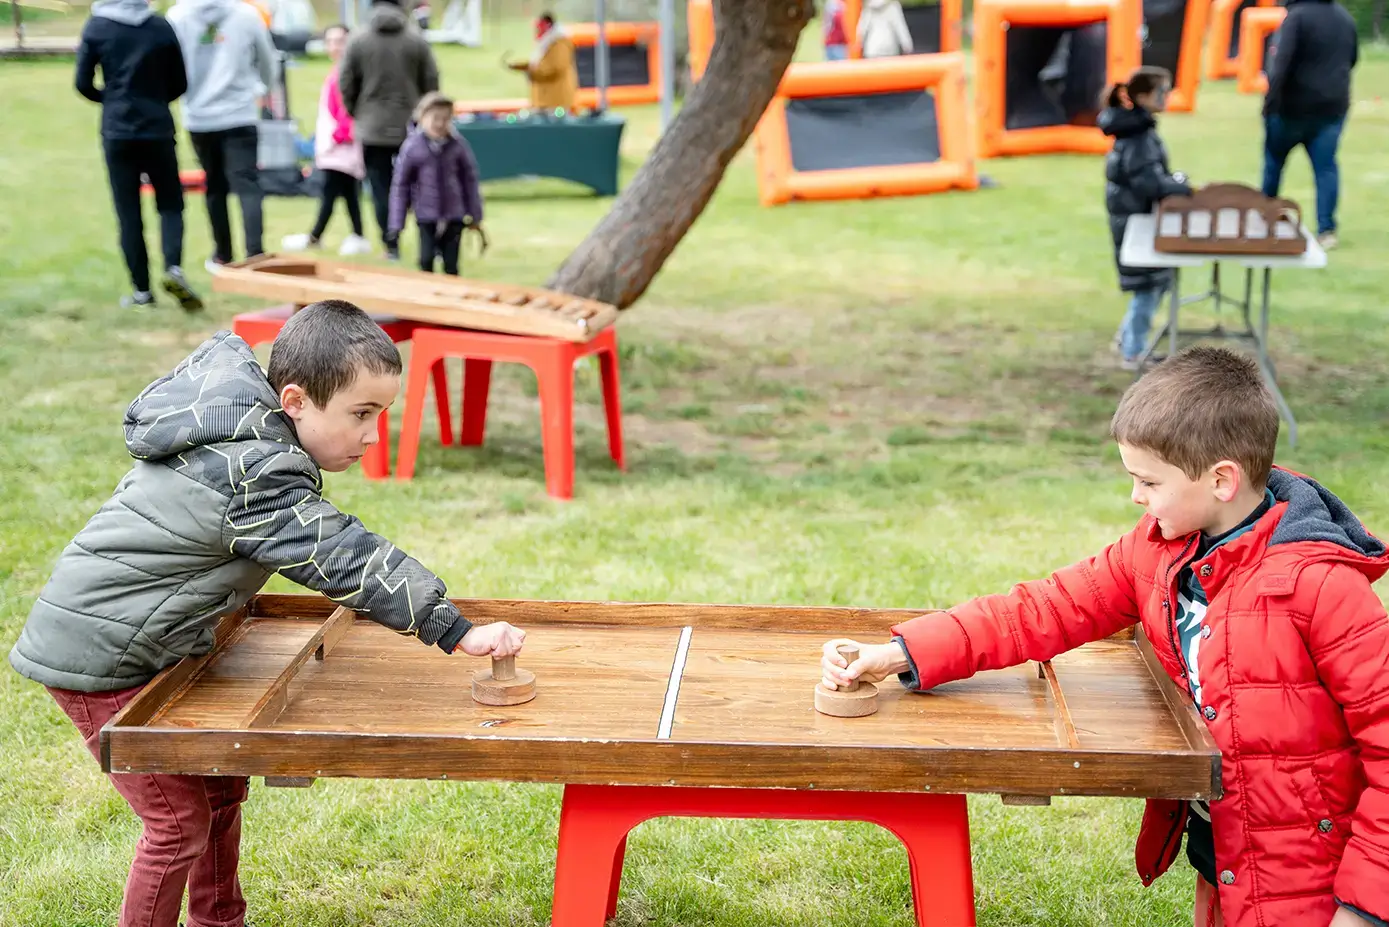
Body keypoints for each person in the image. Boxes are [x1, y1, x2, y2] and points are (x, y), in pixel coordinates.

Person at [819, 347, 1389, 927]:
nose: (1136, 497)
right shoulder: (1160, 548)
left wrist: (1366, 907)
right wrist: (903, 652)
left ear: (1222, 480)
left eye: (1148, 481)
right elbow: (1045, 608)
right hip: (1224, 847)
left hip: (1315, 875)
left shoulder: (1321, 589)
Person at [9, 301, 527, 927]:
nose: (372, 434)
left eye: (381, 415)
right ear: (296, 401)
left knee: (222, 784)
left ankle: (219, 918)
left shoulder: (245, 439)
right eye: (361, 414)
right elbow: (344, 558)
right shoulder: (252, 474)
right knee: (177, 826)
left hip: (155, 645)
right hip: (98, 659)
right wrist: (456, 630)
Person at [75, 0, 203, 311]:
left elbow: (82, 83)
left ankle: (142, 292)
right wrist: (155, 98)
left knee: (128, 211)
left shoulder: (97, 25)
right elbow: (180, 83)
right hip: (157, 126)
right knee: (171, 203)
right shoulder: (159, 25)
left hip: (118, 130)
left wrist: (112, 98)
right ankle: (173, 267)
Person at [167, 0, 277, 270]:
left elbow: (170, 62)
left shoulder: (177, 15)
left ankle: (223, 254)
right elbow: (267, 59)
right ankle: (255, 254)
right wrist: (263, 88)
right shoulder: (246, 13)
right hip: (240, 111)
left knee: (214, 186)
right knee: (248, 185)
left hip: (199, 115)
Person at [1097, 66, 1192, 370]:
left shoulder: (1137, 130)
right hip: (1135, 222)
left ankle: (1128, 339)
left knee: (1153, 285)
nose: (1166, 97)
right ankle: (1134, 352)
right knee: (1148, 287)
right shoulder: (1138, 136)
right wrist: (1180, 186)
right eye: (1161, 92)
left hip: (1135, 218)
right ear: (1142, 96)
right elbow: (1148, 183)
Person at [339, 0, 441, 262]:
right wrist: (424, 115)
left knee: (380, 187)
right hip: (412, 125)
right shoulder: (416, 40)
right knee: (421, 185)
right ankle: (429, 243)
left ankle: (390, 244)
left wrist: (358, 113)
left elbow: (346, 83)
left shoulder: (359, 40)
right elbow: (431, 82)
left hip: (372, 126)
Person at [1261, 0, 1359, 251]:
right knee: (1326, 168)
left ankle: (1264, 218)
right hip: (1332, 109)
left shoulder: (1296, 17)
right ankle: (1327, 230)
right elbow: (1353, 59)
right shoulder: (1344, 18)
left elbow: (1281, 63)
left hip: (1291, 109)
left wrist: (1270, 104)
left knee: (1274, 164)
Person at [281, 23, 372, 256]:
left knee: (332, 191)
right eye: (330, 41)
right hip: (337, 144)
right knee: (347, 192)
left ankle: (317, 236)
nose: (334, 47)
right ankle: (355, 235)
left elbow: (349, 110)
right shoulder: (338, 72)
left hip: (341, 145)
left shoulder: (348, 74)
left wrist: (338, 136)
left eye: (339, 41)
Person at [388, 92, 486, 276]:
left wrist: (475, 215)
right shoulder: (412, 147)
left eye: (446, 119)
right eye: (435, 118)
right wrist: (396, 222)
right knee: (425, 260)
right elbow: (401, 185)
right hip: (426, 214)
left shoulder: (458, 145)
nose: (440, 124)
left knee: (451, 263)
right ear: (422, 117)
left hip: (454, 214)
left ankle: (451, 298)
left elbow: (470, 181)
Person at [507, 12, 577, 113]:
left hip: (556, 101)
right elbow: (540, 65)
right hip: (544, 101)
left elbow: (554, 68)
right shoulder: (545, 44)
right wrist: (522, 67)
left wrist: (532, 72)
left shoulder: (560, 45)